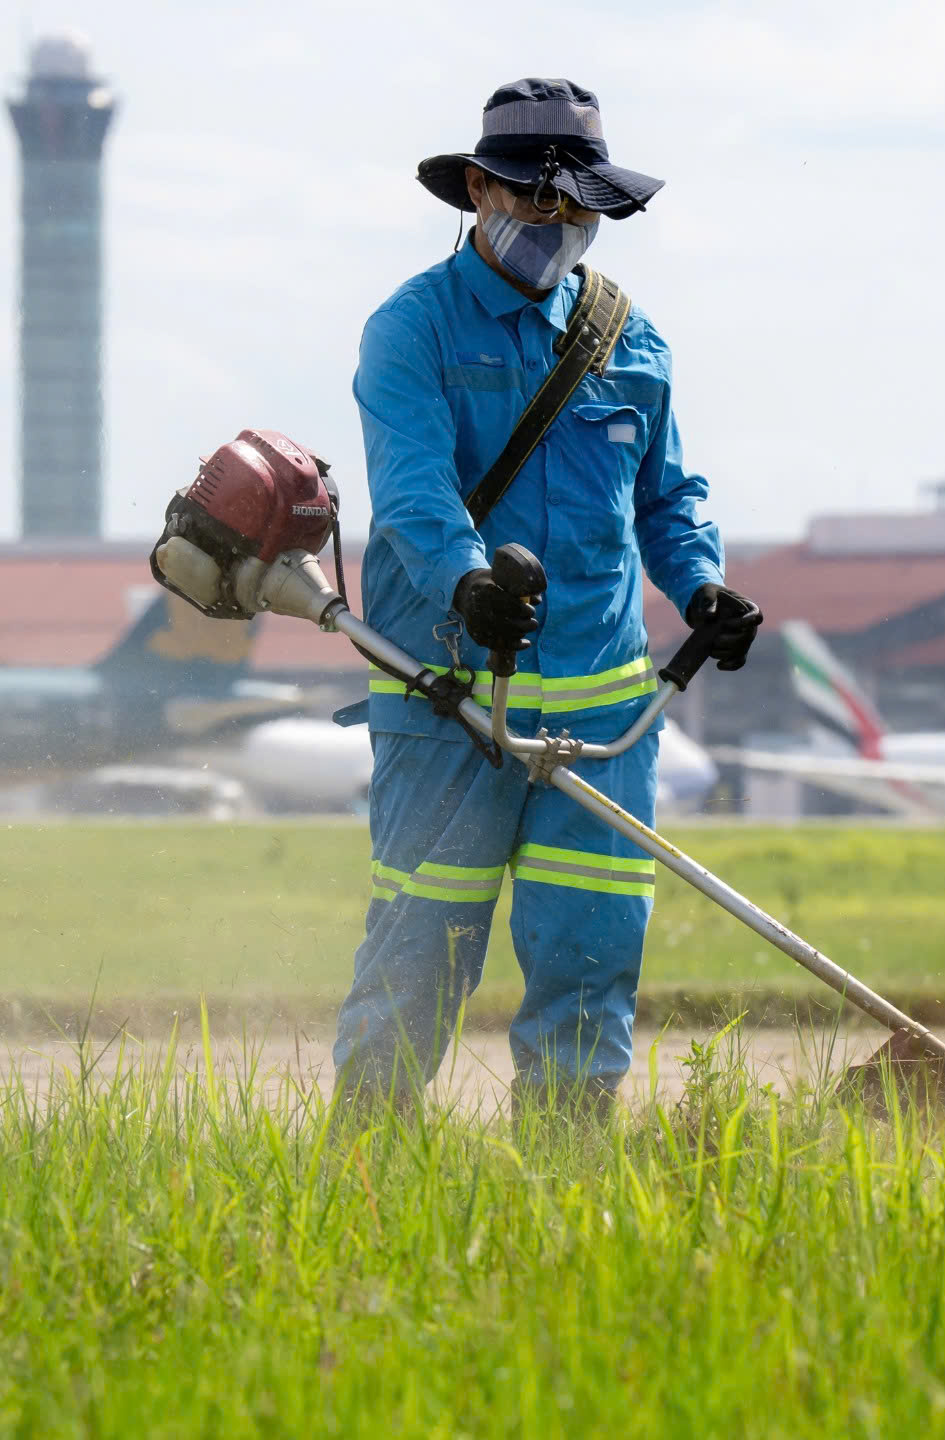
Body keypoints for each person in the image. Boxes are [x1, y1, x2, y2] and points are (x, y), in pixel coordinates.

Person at [334, 77, 761, 1118]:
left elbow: (667, 497)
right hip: (453, 698)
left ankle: (565, 1182)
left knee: (589, 953)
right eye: (536, 199)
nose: (558, 224)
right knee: (421, 951)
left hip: (605, 710)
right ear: (478, 189)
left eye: (578, 208)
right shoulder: (412, 330)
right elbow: (414, 490)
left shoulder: (629, 338)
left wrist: (702, 584)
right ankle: (367, 1164)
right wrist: (469, 583)